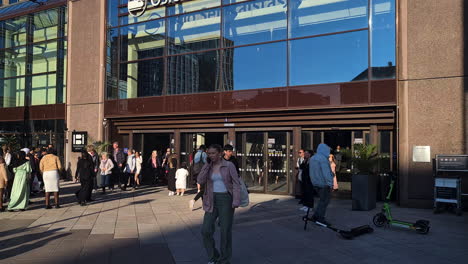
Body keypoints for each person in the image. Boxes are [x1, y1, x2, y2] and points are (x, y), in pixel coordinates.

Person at [198, 144, 240, 264]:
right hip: (211, 199)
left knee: (225, 231)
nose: (211, 155)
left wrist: (236, 200)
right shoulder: (208, 166)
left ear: (220, 153)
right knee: (205, 230)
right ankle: (213, 256)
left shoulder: (229, 165)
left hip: (226, 199)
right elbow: (200, 180)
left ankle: (224, 259)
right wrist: (207, 165)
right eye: (209, 153)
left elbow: (236, 183)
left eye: (213, 153)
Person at [309, 143, 334, 225]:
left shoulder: (312, 158)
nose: (328, 152)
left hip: (315, 183)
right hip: (324, 184)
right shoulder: (323, 159)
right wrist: (330, 184)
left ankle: (316, 216)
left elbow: (311, 172)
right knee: (324, 201)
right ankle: (320, 218)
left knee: (321, 201)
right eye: (328, 150)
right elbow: (326, 173)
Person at [189, 145, 207, 210]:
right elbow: (206, 163)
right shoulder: (204, 154)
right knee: (203, 189)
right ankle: (193, 200)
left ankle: (203, 204)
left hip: (196, 172)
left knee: (203, 188)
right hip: (202, 173)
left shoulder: (196, 154)